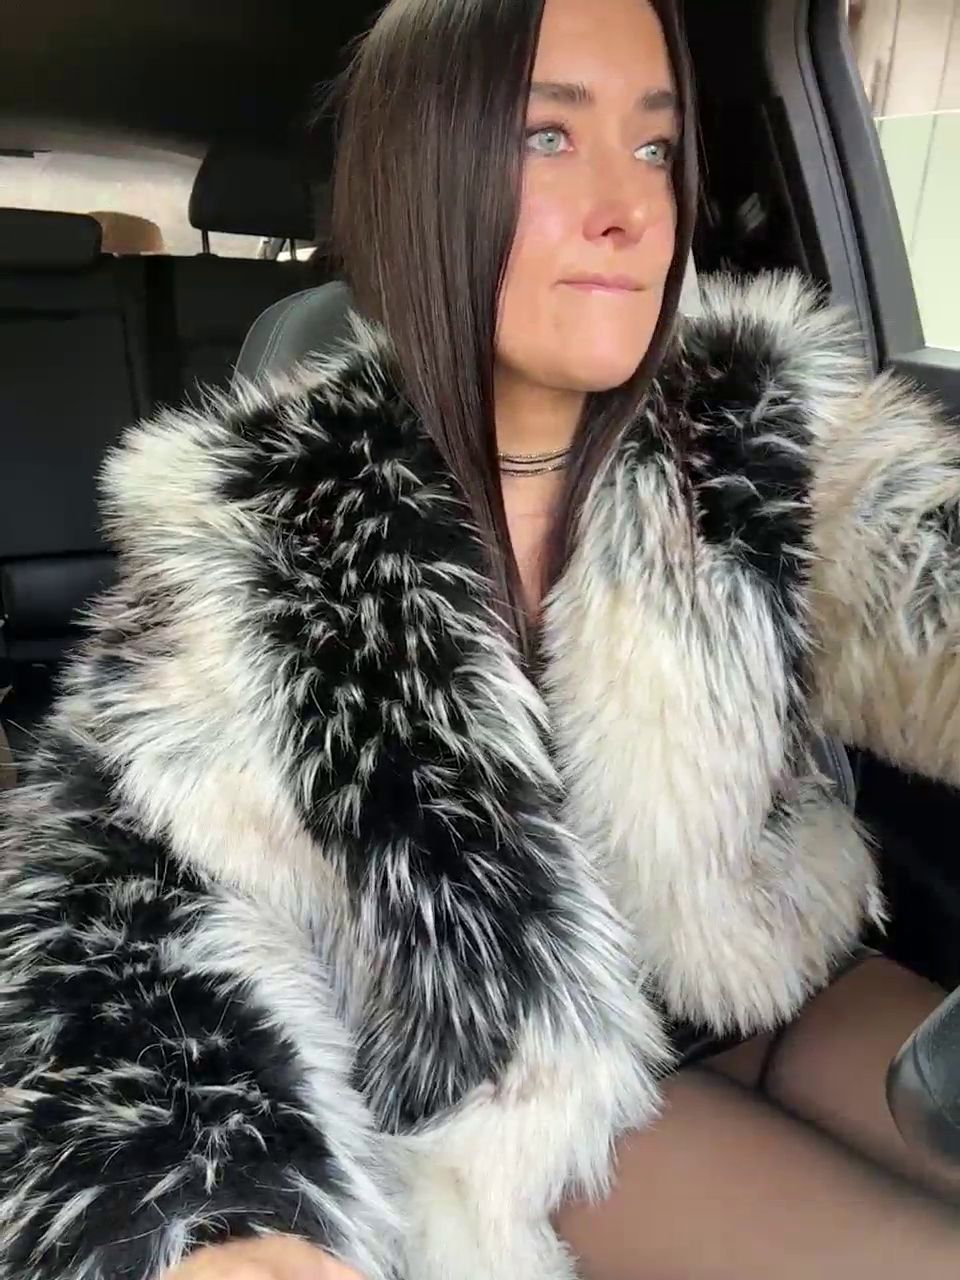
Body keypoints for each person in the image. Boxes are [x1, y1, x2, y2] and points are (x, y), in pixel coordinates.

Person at [1, 0, 959, 1278]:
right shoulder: (263, 535)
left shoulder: (744, 427)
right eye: (548, 138)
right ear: (425, 175)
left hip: (778, 983)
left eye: (656, 147)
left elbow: (931, 586)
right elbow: (123, 913)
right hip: (529, 1085)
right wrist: (209, 1209)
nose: (630, 208)